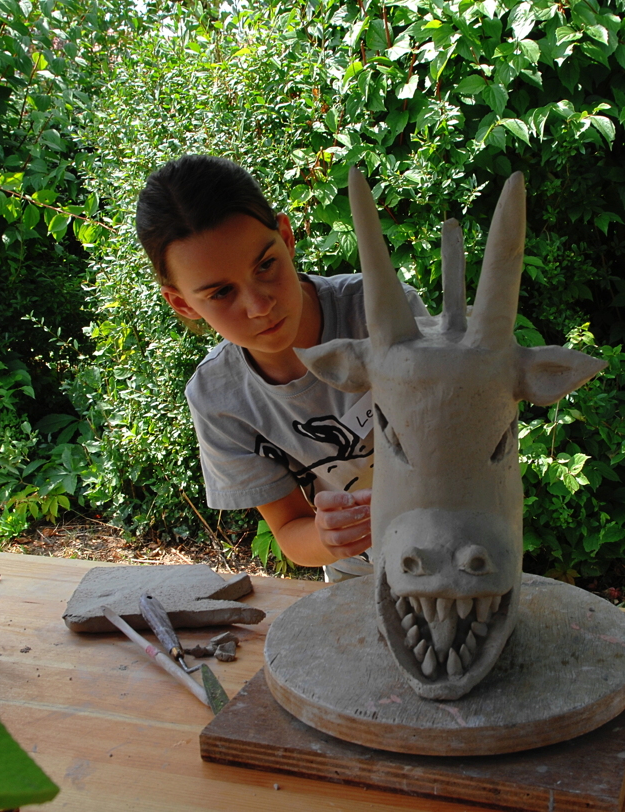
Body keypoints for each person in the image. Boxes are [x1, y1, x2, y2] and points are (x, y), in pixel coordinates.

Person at [134, 155, 427, 580]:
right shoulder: (219, 399)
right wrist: (329, 538)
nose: (259, 306)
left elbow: (461, 441)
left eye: (265, 265)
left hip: (457, 549)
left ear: (286, 238)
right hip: (356, 579)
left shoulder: (382, 313)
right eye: (220, 293)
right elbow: (291, 532)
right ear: (182, 303)